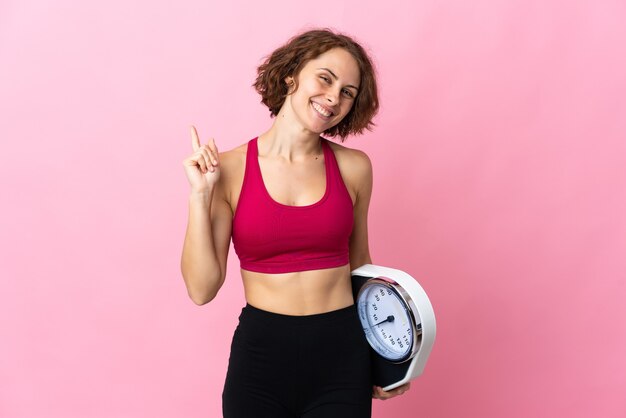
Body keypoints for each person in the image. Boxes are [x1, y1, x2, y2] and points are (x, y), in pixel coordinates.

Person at [180, 28, 411, 418]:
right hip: (261, 360)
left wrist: (383, 357)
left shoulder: (354, 168)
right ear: (292, 75)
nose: (334, 98)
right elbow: (202, 289)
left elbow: (360, 267)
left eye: (348, 92)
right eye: (325, 78)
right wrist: (201, 197)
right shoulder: (231, 169)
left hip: (342, 357)